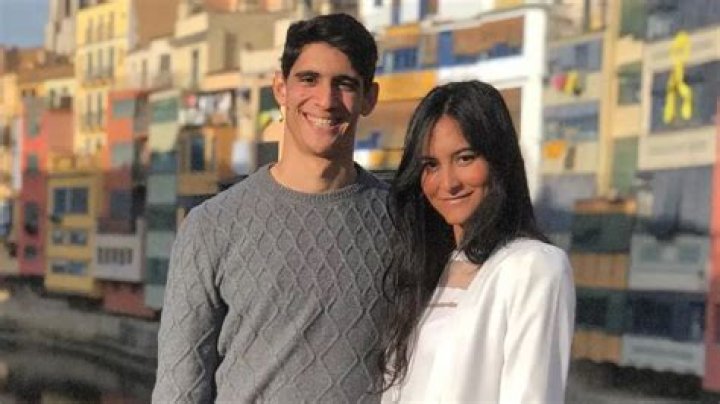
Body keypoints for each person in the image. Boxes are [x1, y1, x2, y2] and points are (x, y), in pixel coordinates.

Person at [153, 13, 395, 403]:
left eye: (345, 83)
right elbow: (178, 391)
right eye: (309, 79)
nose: (326, 100)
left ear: (369, 98)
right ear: (281, 88)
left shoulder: (401, 222)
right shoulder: (210, 227)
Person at [380, 81, 575, 403]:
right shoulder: (429, 269)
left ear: (498, 160)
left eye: (465, 158)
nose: (448, 183)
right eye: (431, 165)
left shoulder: (535, 267)